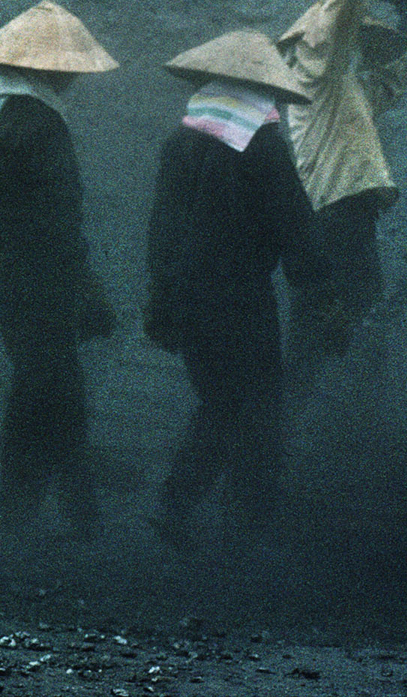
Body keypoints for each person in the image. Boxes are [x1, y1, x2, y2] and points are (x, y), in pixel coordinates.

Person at [144, 30, 325, 548]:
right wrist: (319, 284)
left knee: (218, 400)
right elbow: (294, 224)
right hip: (241, 300)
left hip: (183, 295)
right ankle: (241, 524)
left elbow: (161, 228)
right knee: (259, 408)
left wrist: (160, 295)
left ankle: (178, 508)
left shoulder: (181, 141)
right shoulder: (262, 146)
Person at [0, 0, 119, 539]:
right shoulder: (38, 124)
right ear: (41, 69)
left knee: (43, 390)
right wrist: (86, 289)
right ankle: (65, 514)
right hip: (41, 277)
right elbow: (57, 219)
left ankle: (37, 511)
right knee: (54, 393)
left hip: (9, 272)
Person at [275, 0, 407, 386]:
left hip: (342, 210)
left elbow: (388, 85)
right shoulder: (316, 73)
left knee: (340, 319)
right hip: (336, 213)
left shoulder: (338, 90)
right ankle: (307, 423)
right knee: (341, 319)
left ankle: (312, 414)